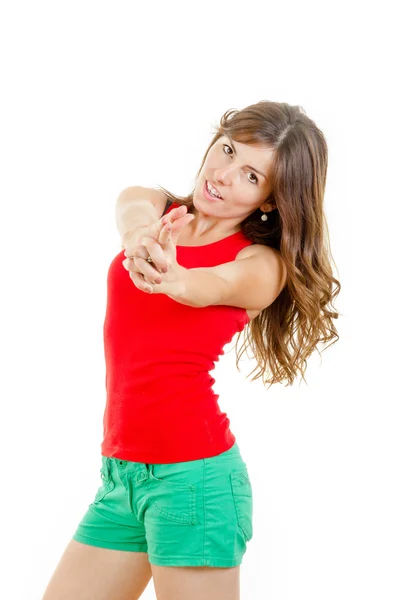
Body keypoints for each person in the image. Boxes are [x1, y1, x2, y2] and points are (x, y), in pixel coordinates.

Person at [41, 101, 341, 600]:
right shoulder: (159, 212)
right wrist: (141, 239)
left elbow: (211, 284)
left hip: (193, 481)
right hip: (122, 478)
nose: (222, 175)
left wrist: (172, 275)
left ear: (270, 199)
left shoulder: (260, 264)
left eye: (249, 175)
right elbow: (132, 204)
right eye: (226, 150)